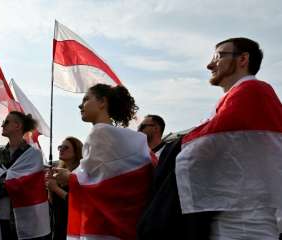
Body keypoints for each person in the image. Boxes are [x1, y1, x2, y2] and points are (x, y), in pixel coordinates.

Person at [175, 37, 282, 239]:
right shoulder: (237, 97)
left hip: (245, 225)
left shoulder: (251, 91)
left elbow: (199, 148)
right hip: (235, 218)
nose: (209, 64)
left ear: (243, 59)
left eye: (219, 56)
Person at [53, 83, 154, 239]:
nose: (80, 105)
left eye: (86, 99)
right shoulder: (127, 137)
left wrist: (68, 177)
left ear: (102, 102)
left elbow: (93, 182)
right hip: (125, 222)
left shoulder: (100, 132)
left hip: (102, 225)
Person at [0, 111, 51, 240]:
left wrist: (2, 184)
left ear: (17, 125)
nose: (2, 125)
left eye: (6, 122)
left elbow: (28, 185)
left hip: (25, 218)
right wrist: (8, 183)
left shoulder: (33, 154)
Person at [46, 137, 83, 240]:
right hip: (57, 226)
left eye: (66, 147)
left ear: (76, 152)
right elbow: (53, 203)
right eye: (60, 147)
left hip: (72, 227)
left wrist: (55, 188)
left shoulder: (80, 174)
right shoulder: (59, 174)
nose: (61, 149)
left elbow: (78, 202)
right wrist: (50, 186)